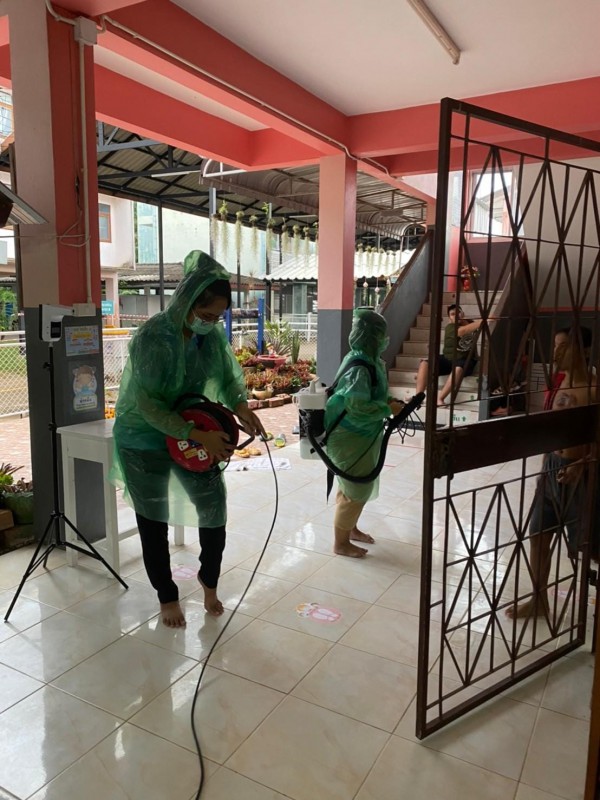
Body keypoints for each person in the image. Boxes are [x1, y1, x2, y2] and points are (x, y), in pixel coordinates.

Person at [110, 250, 265, 628]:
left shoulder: (209, 338)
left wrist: (241, 408)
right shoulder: (153, 337)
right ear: (187, 302)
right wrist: (196, 435)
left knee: (214, 508)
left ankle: (209, 580)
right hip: (144, 437)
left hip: (195, 432)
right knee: (154, 517)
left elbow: (227, 379)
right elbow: (148, 404)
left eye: (217, 317)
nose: (210, 323)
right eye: (206, 315)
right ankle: (167, 596)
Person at [507, 331, 599, 619]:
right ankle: (538, 600)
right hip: (551, 471)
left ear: (585, 351)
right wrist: (544, 467)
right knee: (538, 535)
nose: (555, 353)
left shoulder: (594, 389)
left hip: (582, 475)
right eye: (555, 346)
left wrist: (581, 463)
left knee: (589, 546)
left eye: (564, 347)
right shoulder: (557, 385)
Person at [324, 308, 404, 558]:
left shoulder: (367, 360)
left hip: (361, 435)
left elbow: (370, 394)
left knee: (351, 487)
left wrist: (387, 401)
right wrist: (386, 409)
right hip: (350, 436)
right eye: (381, 335)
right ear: (372, 337)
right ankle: (340, 544)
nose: (384, 339)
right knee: (355, 490)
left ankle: (351, 529)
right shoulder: (360, 366)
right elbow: (357, 407)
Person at [415, 304, 485, 406]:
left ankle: (440, 398)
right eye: (452, 314)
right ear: (449, 319)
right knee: (424, 363)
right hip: (448, 358)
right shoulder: (450, 327)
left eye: (458, 312)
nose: (456, 315)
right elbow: (462, 331)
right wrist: (485, 320)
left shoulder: (471, 323)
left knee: (458, 369)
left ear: (463, 313)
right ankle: (417, 398)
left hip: (465, 359)